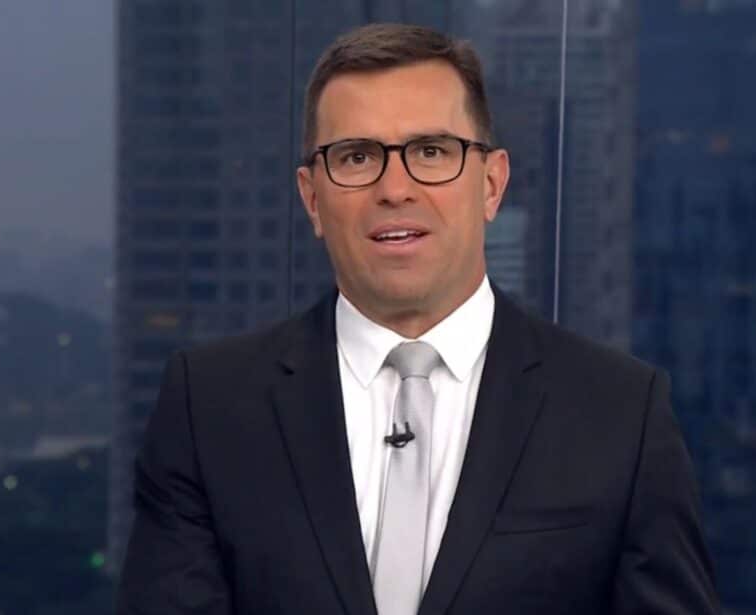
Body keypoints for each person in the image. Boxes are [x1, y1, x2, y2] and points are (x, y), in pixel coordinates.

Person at [116, 23, 719, 615]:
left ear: (492, 184)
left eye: (431, 152)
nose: (395, 188)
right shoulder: (210, 406)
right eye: (357, 157)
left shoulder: (620, 413)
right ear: (312, 198)